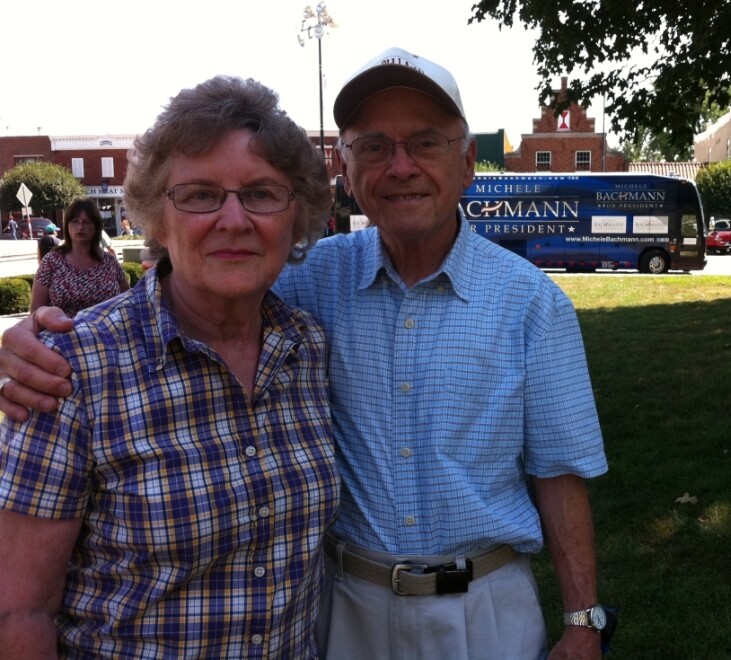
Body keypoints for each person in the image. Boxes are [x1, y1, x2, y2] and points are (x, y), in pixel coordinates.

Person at [0, 48, 608, 659]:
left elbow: (559, 472)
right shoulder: (307, 284)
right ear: (344, 168)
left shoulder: (527, 304)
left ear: (468, 161)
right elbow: (18, 605)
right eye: (373, 147)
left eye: (425, 143)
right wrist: (34, 345)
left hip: (486, 608)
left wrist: (583, 620)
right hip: (347, 610)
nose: (400, 167)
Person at [0, 75, 339, 658]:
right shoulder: (71, 369)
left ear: (296, 215)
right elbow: (18, 608)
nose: (233, 220)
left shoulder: (307, 348)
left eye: (261, 193)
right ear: (156, 217)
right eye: (201, 194)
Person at [30, 198, 130, 316]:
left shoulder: (109, 261)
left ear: (96, 226)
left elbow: (128, 301)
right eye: (74, 221)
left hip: (106, 333)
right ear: (67, 225)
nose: (80, 227)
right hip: (62, 332)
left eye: (87, 222)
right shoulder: (51, 261)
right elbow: (35, 313)